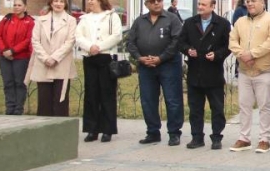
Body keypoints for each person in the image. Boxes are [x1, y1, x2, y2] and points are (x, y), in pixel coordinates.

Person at [127, 0, 184, 145]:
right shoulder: (139, 21)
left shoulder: (172, 19)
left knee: (172, 100)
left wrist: (161, 58)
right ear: (146, 4)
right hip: (146, 66)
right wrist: (140, 58)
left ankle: (174, 133)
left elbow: (176, 42)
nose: (156, 3)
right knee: (148, 100)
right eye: (152, 1)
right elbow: (130, 42)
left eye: (159, 1)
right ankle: (152, 132)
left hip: (169, 65)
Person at [229, 0, 270, 152]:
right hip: (245, 71)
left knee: (264, 106)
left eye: (253, 1)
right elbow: (232, 40)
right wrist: (242, 55)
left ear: (263, 3)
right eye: (248, 1)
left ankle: (265, 139)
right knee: (244, 105)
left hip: (264, 70)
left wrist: (253, 54)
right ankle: (244, 138)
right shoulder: (240, 21)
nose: (250, 4)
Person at [179, 0, 230, 149]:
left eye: (203, 4)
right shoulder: (189, 23)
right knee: (195, 108)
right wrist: (188, 50)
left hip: (214, 74)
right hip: (195, 73)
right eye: (199, 4)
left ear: (213, 6)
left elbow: (228, 46)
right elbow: (180, 43)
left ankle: (216, 137)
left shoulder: (222, 24)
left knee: (217, 108)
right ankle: (197, 137)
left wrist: (217, 54)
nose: (200, 7)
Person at [75, 0, 122, 141]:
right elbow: (78, 37)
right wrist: (90, 47)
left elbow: (117, 35)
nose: (89, 2)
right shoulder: (84, 18)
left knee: (107, 93)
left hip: (106, 57)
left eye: (92, 0)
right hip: (89, 58)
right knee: (91, 93)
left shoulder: (112, 16)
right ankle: (92, 129)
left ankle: (108, 129)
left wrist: (99, 47)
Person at [26, 0, 77, 117]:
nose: (58, 4)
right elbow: (35, 41)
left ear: (65, 4)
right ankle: (43, 132)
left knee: (60, 102)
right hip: (43, 65)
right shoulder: (40, 20)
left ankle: (61, 132)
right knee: (44, 101)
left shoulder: (71, 21)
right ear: (51, 3)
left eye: (61, 1)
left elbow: (70, 42)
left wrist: (54, 57)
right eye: (55, 1)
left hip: (61, 64)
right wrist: (45, 58)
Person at [0, 0, 35, 115]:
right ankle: (10, 107)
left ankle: (18, 108)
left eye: (19, 5)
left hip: (21, 57)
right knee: (8, 82)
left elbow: (28, 40)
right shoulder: (7, 19)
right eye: (15, 5)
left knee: (19, 83)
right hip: (5, 57)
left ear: (25, 7)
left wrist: (13, 51)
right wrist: (4, 51)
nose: (16, 7)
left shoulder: (30, 22)